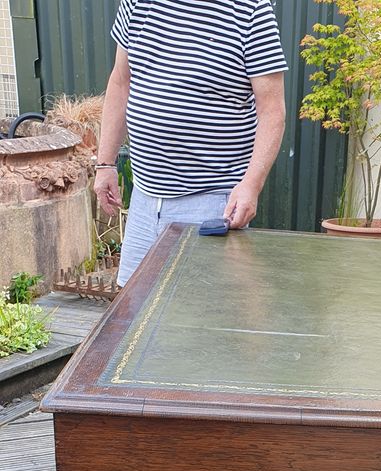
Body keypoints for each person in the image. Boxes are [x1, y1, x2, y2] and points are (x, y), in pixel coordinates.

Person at [95, 0, 287, 286]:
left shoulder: (249, 10)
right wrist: (105, 164)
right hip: (145, 200)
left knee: (200, 317)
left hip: (211, 203)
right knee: (133, 310)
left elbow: (272, 111)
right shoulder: (138, 4)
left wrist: (251, 184)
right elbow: (121, 81)